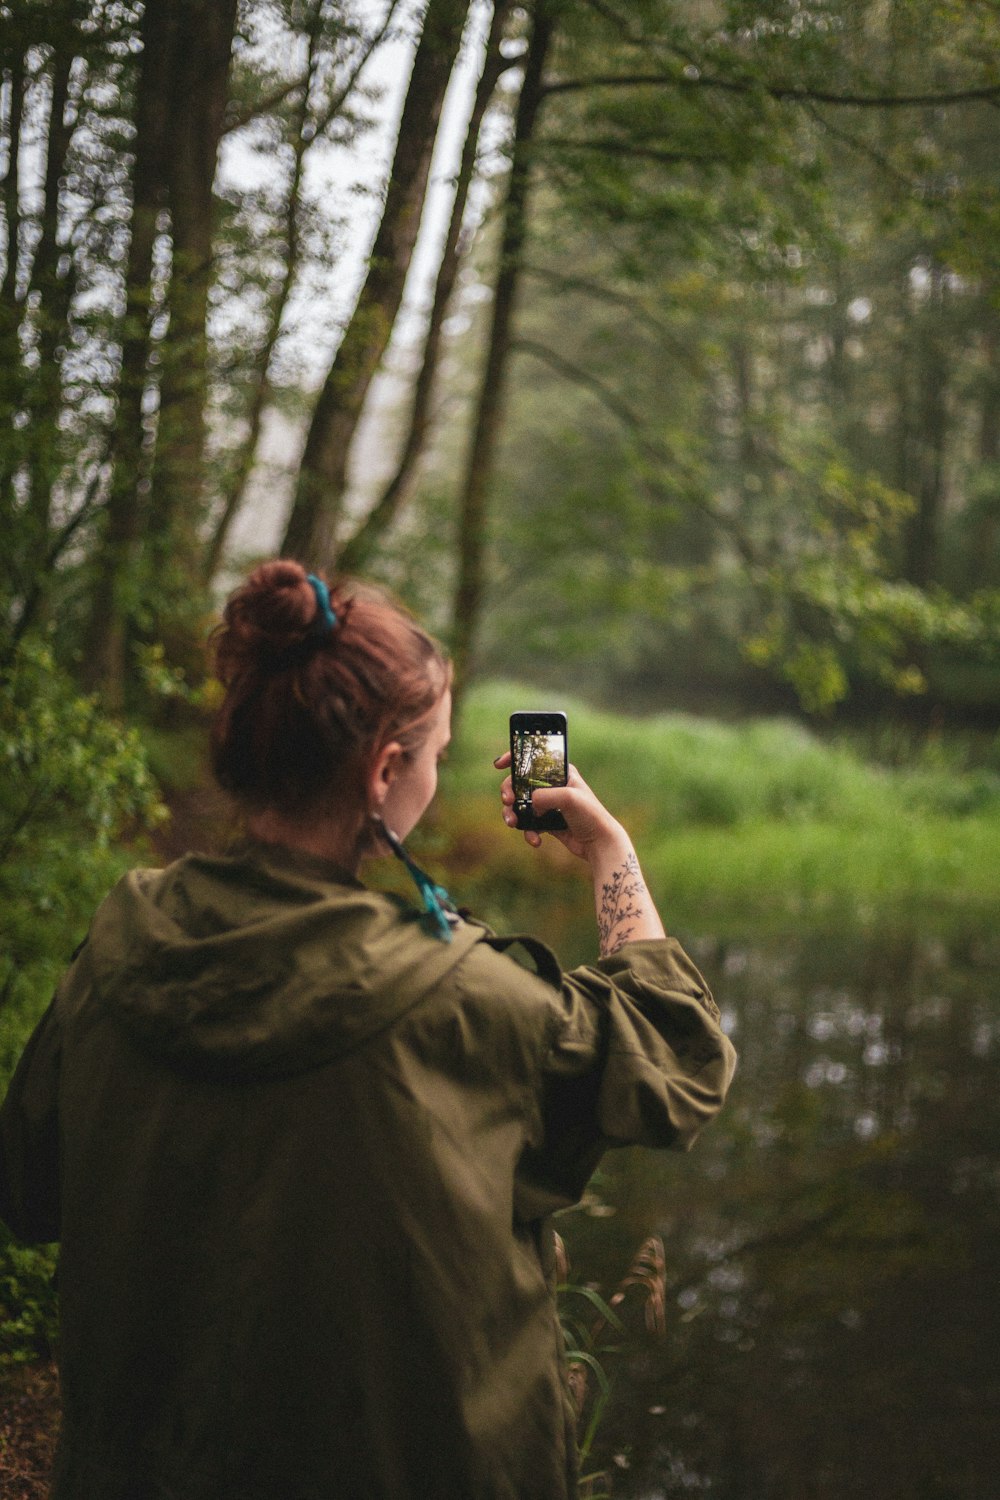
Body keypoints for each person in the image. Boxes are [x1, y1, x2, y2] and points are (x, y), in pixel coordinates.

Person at [0, 560, 736, 1500]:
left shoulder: (119, 943)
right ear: (386, 770)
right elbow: (676, 1058)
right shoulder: (459, 1000)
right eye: (431, 753)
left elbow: (28, 1188)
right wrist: (609, 852)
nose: (433, 772)